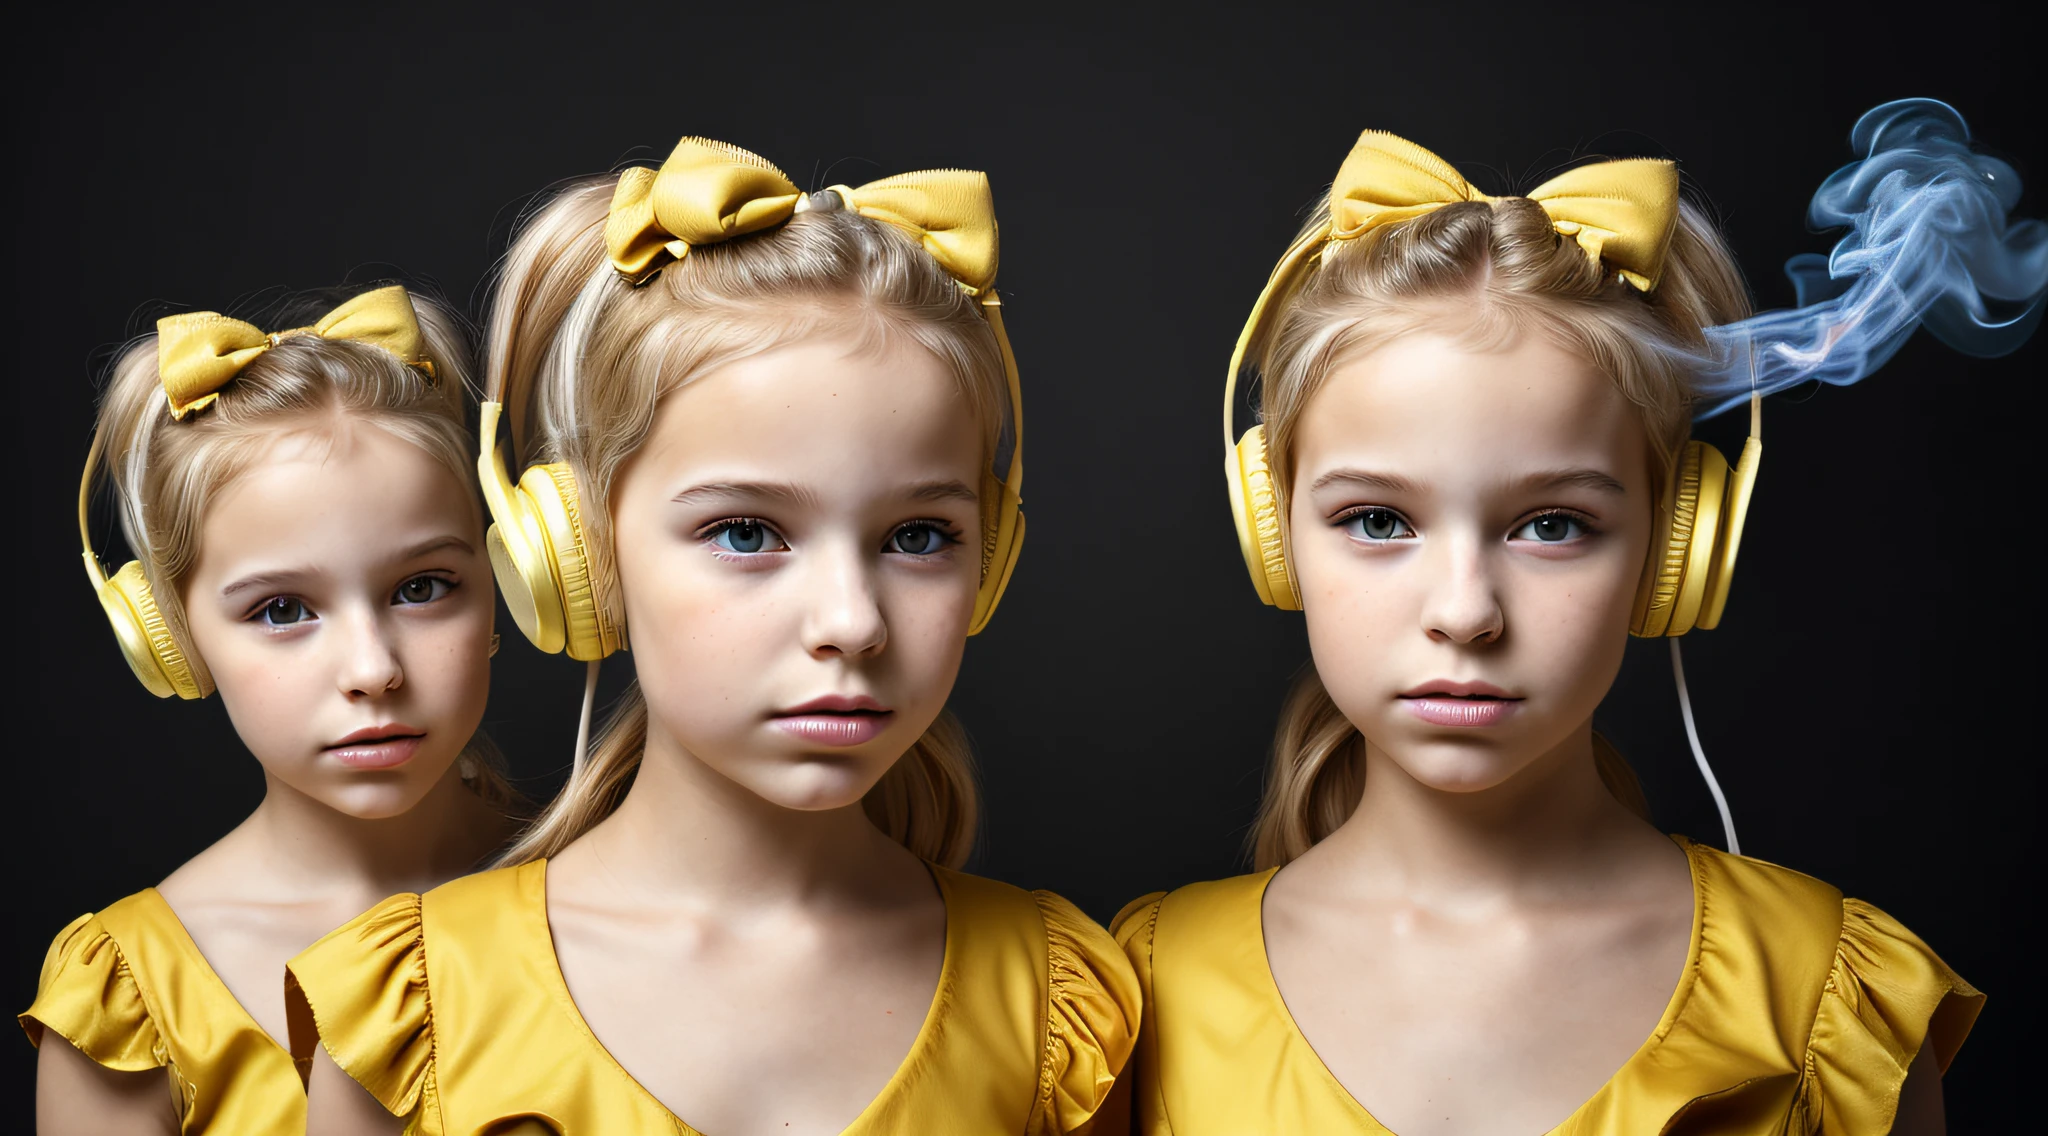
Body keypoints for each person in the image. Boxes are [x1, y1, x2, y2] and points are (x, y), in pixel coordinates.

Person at [1118, 100, 2043, 1135]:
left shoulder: (1824, 999)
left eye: (1550, 524)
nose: (1464, 611)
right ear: (1272, 532)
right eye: (1377, 519)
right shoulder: (1137, 996)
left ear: (1672, 551)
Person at [290, 137, 1138, 1136]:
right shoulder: (415, 1007)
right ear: (582, 552)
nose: (851, 622)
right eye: (746, 532)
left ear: (988, 561)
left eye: (918, 536)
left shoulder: (1058, 1006)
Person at [25, 285, 519, 1134]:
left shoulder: (631, 891)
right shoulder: (132, 1000)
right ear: (175, 640)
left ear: (512, 586)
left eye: (423, 588)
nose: (372, 670)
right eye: (282, 610)